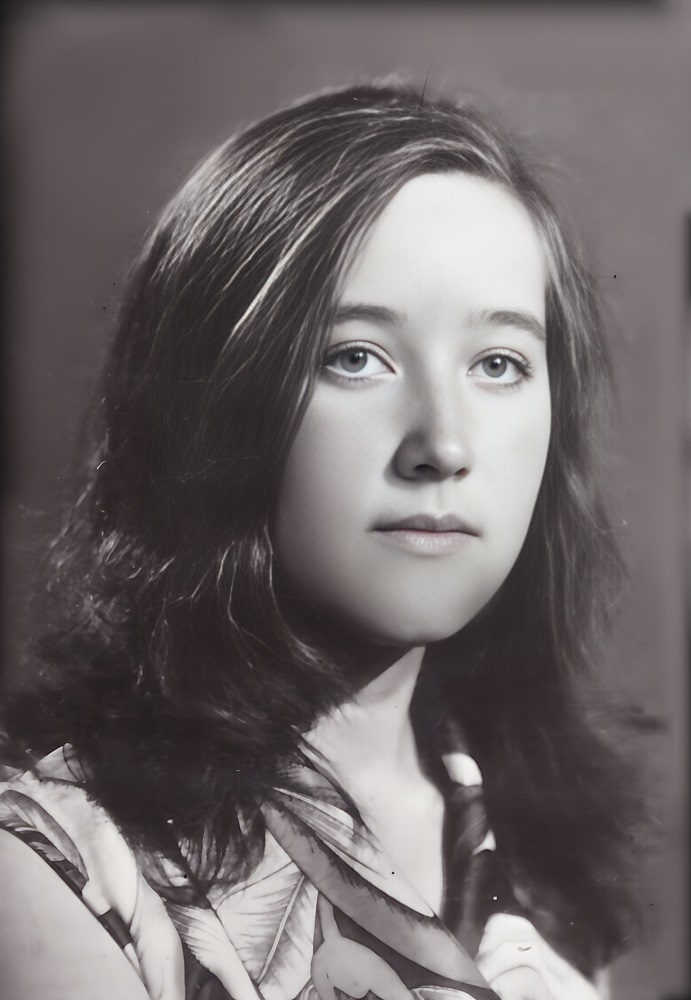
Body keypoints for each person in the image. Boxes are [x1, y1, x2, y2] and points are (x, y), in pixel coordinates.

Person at [0, 79, 648, 1000]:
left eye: (499, 363)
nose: (443, 445)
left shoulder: (537, 846)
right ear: (216, 400)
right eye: (354, 357)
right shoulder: (53, 870)